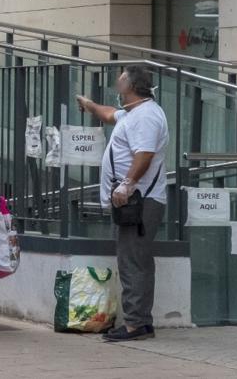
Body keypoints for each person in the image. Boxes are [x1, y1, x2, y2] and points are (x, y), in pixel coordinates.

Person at [77, 65, 168, 343]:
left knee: (132, 261)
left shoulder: (146, 117)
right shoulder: (134, 113)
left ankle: (135, 324)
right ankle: (140, 321)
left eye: (122, 75)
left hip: (139, 200)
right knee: (135, 258)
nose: (117, 79)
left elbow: (145, 154)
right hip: (133, 199)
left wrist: (127, 184)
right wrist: (90, 106)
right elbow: (109, 114)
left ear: (130, 84)